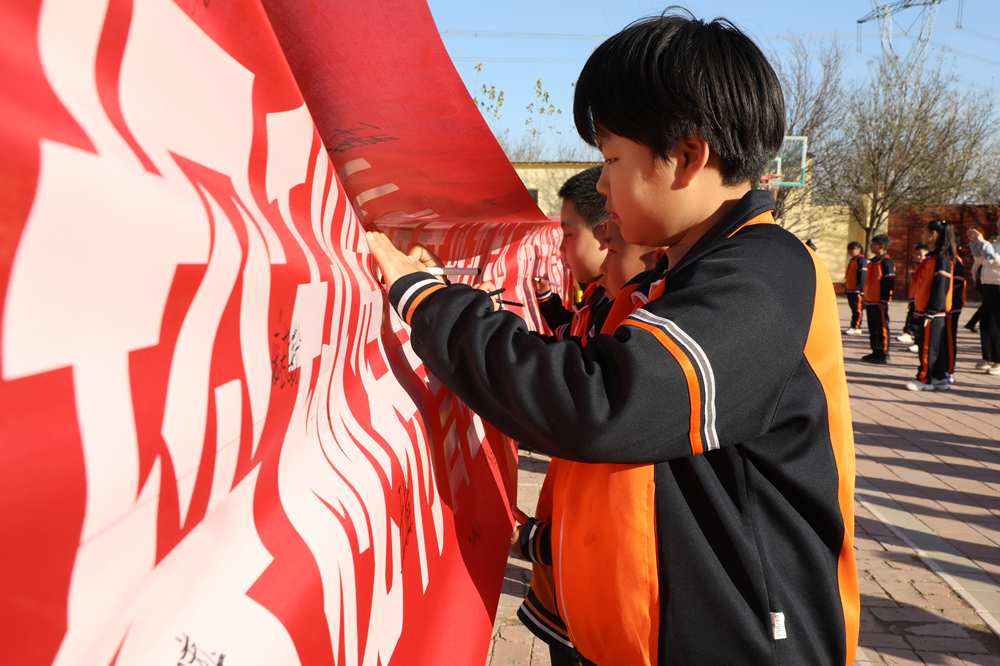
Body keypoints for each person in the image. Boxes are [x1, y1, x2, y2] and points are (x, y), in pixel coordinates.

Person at [367, 12, 857, 665]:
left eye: (613, 159)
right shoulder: (677, 274)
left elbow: (602, 402)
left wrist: (430, 303)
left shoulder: (763, 277)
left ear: (685, 158)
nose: (601, 184)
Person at [535, 166, 609, 341]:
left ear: (606, 232)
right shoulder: (596, 292)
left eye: (567, 235)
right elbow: (570, 332)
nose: (561, 248)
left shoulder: (620, 306)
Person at [905, 221, 955, 391]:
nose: (922, 236)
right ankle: (939, 378)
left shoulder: (941, 258)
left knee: (927, 347)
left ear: (933, 234)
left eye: (924, 232)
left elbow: (941, 285)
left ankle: (924, 379)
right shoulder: (933, 257)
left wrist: (931, 310)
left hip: (932, 311)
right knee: (935, 346)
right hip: (927, 310)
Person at [969, 225, 1000, 375]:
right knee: (987, 322)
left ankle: (999, 360)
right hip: (988, 285)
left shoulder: (992, 245)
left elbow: (995, 261)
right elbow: (981, 260)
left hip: (999, 285)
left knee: (998, 324)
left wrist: (984, 243)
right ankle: (989, 357)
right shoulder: (995, 244)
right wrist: (975, 243)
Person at [861, 234, 895, 364]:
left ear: (881, 246)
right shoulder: (873, 262)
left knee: (882, 328)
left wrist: (884, 300)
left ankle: (884, 353)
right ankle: (875, 351)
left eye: (873, 244)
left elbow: (889, 283)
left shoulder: (886, 262)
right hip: (870, 301)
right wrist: (865, 298)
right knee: (873, 329)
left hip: (879, 302)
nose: (870, 247)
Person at [897, 244, 929, 347]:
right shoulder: (917, 267)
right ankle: (908, 333)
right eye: (916, 254)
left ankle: (917, 341)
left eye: (920, 254)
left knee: (917, 320)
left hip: (920, 298)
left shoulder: (927, 267)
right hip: (914, 297)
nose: (918, 257)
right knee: (911, 316)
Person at [946, 244, 966, 384]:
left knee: (949, 339)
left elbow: (957, 288)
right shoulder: (940, 259)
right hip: (941, 308)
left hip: (951, 308)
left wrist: (952, 309)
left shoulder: (955, 262)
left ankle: (949, 371)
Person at [844, 241, 867, 335]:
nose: (851, 251)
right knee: (853, 309)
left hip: (857, 290)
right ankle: (853, 325)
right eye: (849, 249)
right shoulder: (852, 260)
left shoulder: (861, 260)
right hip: (850, 289)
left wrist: (862, 290)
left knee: (857, 309)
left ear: (859, 249)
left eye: (853, 249)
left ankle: (856, 327)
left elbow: (863, 275)